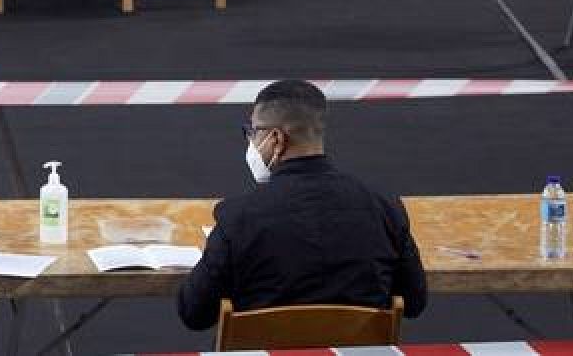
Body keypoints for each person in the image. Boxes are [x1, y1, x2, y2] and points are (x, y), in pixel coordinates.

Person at [177, 80, 429, 331]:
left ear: (276, 138)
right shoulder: (384, 207)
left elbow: (194, 313)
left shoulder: (238, 218)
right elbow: (415, 302)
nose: (251, 142)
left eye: (253, 132)